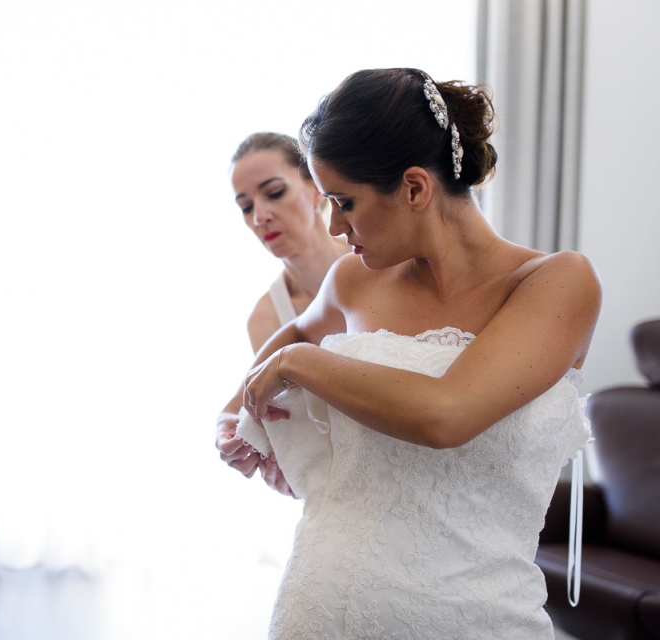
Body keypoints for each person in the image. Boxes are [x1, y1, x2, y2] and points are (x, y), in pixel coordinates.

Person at [215, 68, 601, 638]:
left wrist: (301, 365)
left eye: (344, 202)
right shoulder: (352, 281)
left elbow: (445, 414)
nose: (336, 225)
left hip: (480, 619)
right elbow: (292, 337)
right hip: (320, 609)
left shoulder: (556, 282)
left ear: (416, 188)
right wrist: (235, 420)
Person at [230, 133, 351, 354]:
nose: (259, 217)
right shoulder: (265, 319)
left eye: (274, 193)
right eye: (246, 207)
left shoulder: (379, 256)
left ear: (317, 189)